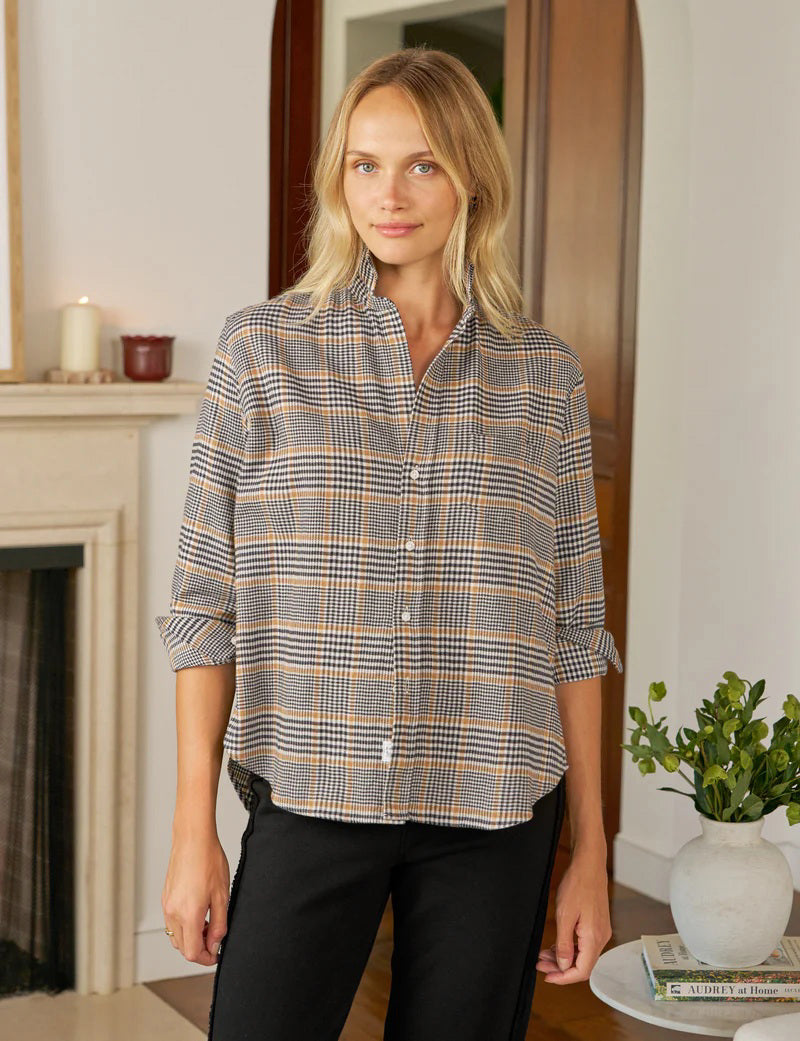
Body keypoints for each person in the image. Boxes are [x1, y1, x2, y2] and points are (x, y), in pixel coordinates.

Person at [155, 46, 623, 1041]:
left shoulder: (543, 376)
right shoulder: (260, 352)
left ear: (472, 178)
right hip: (313, 791)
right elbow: (203, 608)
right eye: (364, 164)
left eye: (422, 164)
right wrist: (194, 828)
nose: (389, 195)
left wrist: (590, 851)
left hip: (494, 809)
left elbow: (574, 630)